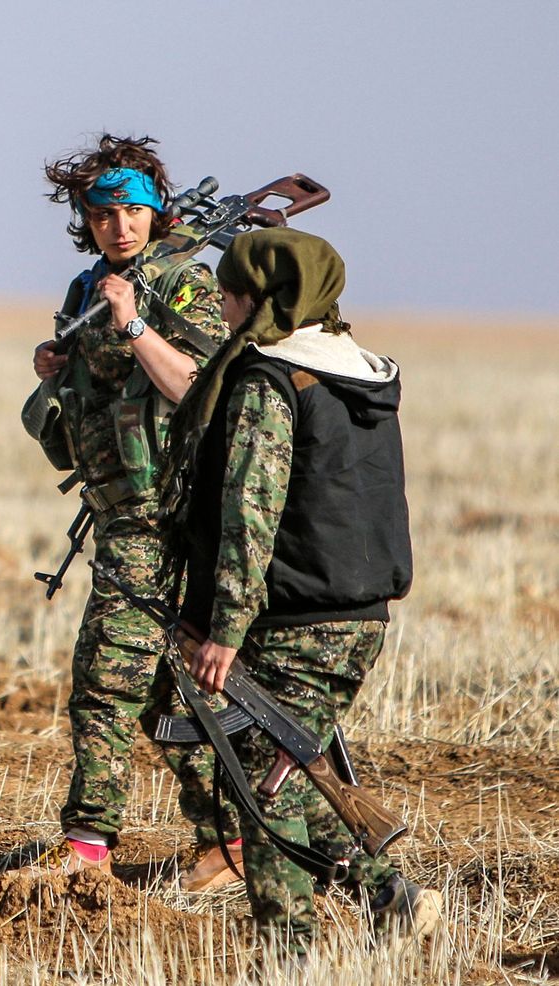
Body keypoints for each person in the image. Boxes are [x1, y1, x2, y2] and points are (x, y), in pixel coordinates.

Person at [160, 228, 443, 951]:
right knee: (283, 764)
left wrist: (223, 626)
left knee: (261, 785)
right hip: (359, 613)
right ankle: (391, 900)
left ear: (259, 299)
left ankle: (289, 955)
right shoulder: (359, 372)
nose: (220, 307)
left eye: (227, 294)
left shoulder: (269, 379)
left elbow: (250, 511)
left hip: (294, 615)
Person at [24, 132, 241, 883]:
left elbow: (201, 392)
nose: (121, 226)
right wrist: (55, 364)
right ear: (86, 219)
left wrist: (135, 325)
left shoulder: (182, 282)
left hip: (166, 516)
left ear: (157, 211)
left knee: (104, 680)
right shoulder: (88, 288)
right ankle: (232, 834)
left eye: (135, 210)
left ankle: (87, 845)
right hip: (117, 512)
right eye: (105, 213)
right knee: (156, 689)